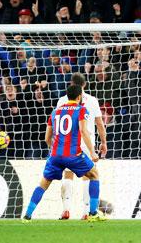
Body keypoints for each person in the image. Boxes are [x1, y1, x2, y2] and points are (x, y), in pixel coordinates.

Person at [22, 85, 105, 222]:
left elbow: (47, 138)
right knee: (94, 174)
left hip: (55, 155)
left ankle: (27, 215)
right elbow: (84, 132)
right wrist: (92, 152)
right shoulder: (81, 110)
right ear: (79, 97)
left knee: (44, 183)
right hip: (74, 155)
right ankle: (93, 213)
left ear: (67, 97)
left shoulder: (55, 111)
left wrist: (54, 149)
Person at [54, 73, 107, 220]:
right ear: (84, 85)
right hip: (86, 141)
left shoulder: (62, 100)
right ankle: (86, 211)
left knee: (68, 174)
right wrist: (103, 142)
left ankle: (66, 210)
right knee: (88, 175)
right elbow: (100, 124)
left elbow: (57, 124)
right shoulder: (92, 100)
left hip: (67, 142)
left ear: (71, 84)